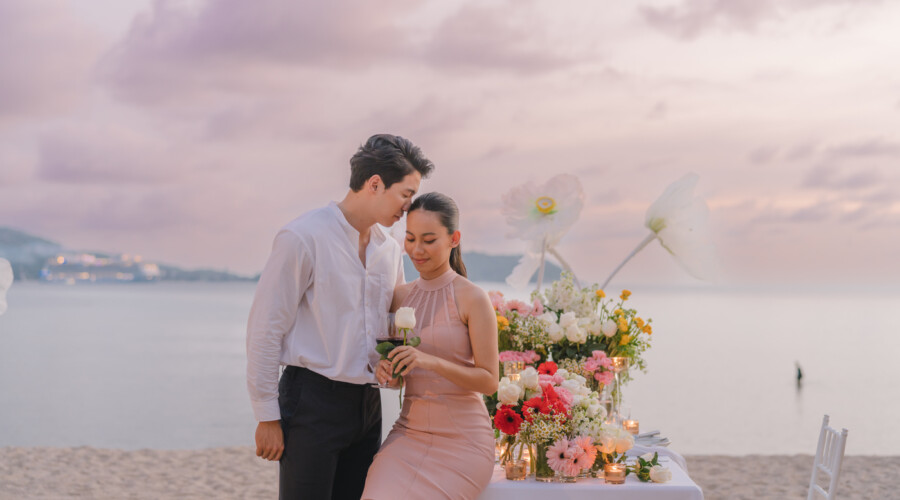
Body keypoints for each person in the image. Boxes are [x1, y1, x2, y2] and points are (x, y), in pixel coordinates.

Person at [246, 134, 435, 500]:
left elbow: (392, 323)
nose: (409, 206)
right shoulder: (303, 237)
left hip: (367, 405)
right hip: (311, 402)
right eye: (405, 194)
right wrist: (266, 415)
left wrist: (391, 367)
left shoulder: (390, 250)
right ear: (375, 184)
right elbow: (265, 329)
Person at [362, 192, 499, 500]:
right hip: (408, 436)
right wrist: (387, 372)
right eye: (410, 239)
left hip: (463, 443)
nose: (417, 250)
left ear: (454, 239)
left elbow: (490, 381)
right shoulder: (399, 296)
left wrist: (430, 361)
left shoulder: (473, 298)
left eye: (428, 239)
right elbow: (398, 380)